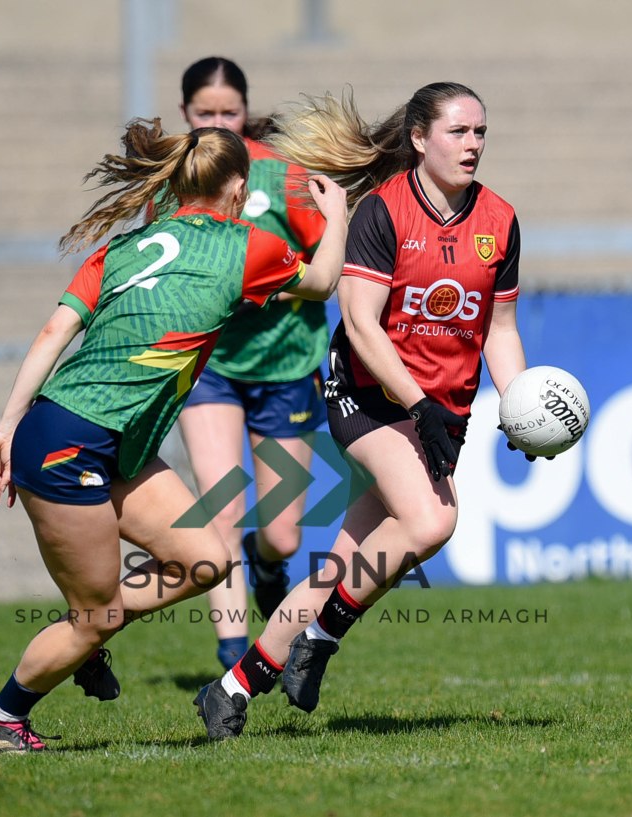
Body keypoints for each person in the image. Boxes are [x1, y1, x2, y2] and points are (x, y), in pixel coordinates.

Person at [0, 118, 347, 753]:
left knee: (206, 561)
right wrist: (334, 218)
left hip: (84, 435)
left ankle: (86, 635)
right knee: (94, 618)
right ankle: (2, 716)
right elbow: (323, 282)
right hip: (70, 447)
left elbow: (53, 333)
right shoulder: (245, 246)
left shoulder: (123, 249)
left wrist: (6, 424)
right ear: (239, 187)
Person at [193, 82, 534, 739]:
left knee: (345, 564)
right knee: (432, 520)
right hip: (369, 394)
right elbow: (360, 323)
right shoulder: (383, 211)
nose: (472, 144)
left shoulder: (500, 219)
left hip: (441, 409)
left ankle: (231, 690)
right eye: (458, 132)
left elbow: (500, 329)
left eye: (480, 132)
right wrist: (419, 404)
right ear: (419, 139)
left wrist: (517, 404)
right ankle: (320, 639)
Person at [177, 56, 333, 672]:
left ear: (246, 111)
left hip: (288, 364)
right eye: (205, 113)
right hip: (208, 363)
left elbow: (327, 265)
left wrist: (265, 288)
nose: (218, 124)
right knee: (220, 509)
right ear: (184, 113)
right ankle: (232, 656)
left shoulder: (280, 175)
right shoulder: (173, 179)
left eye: (230, 112)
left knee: (283, 535)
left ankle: (266, 563)